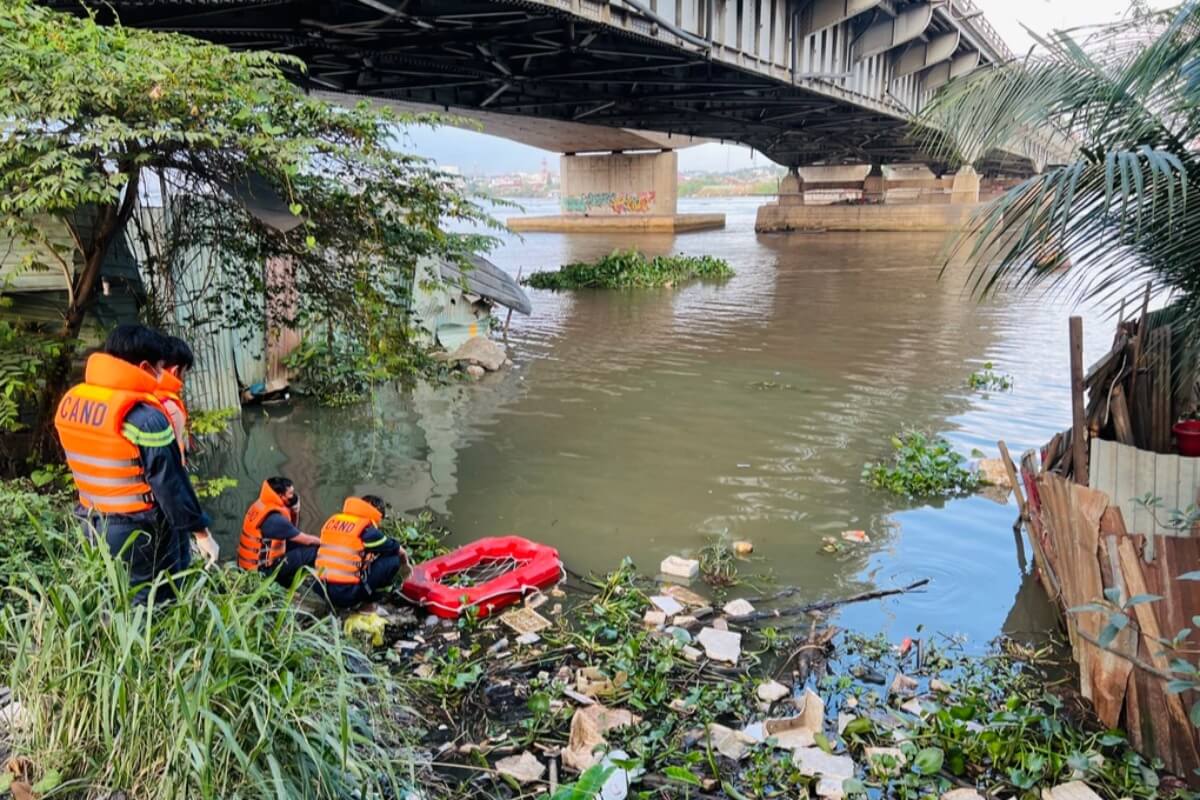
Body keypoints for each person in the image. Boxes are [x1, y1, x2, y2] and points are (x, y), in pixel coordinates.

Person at [54, 324, 219, 603]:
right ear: (144, 366)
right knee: (153, 600)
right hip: (138, 530)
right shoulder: (145, 418)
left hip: (90, 521)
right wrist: (201, 533)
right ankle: (155, 647)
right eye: (158, 368)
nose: (159, 376)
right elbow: (170, 484)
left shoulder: (74, 402)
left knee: (114, 593)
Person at [315, 495, 407, 609]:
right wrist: (405, 565)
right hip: (345, 594)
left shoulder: (333, 520)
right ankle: (371, 601)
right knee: (393, 560)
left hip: (321, 589)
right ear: (376, 511)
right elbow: (396, 549)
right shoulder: (367, 529)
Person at [238, 476, 321, 587]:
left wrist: (295, 512)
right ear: (281, 496)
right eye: (291, 494)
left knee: (295, 544)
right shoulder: (274, 519)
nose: (294, 497)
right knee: (313, 551)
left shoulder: (262, 505)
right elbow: (307, 540)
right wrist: (329, 545)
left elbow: (291, 531)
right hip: (261, 573)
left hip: (249, 566)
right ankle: (315, 585)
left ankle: (288, 580)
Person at [156, 336, 193, 461]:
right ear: (175, 372)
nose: (183, 379)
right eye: (184, 373)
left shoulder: (147, 399)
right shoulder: (171, 409)